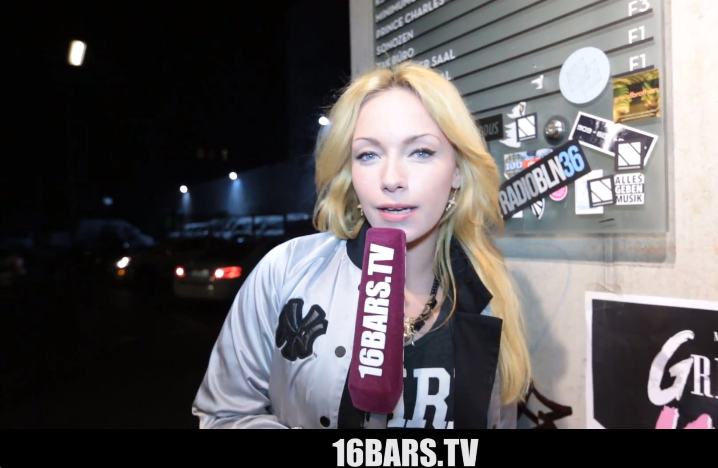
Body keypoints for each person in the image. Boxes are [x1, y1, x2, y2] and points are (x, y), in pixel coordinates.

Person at [191, 61, 532, 429]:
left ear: (458, 172)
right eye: (368, 154)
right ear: (351, 174)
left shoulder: (490, 295)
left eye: (421, 151)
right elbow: (223, 415)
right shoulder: (285, 272)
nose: (391, 179)